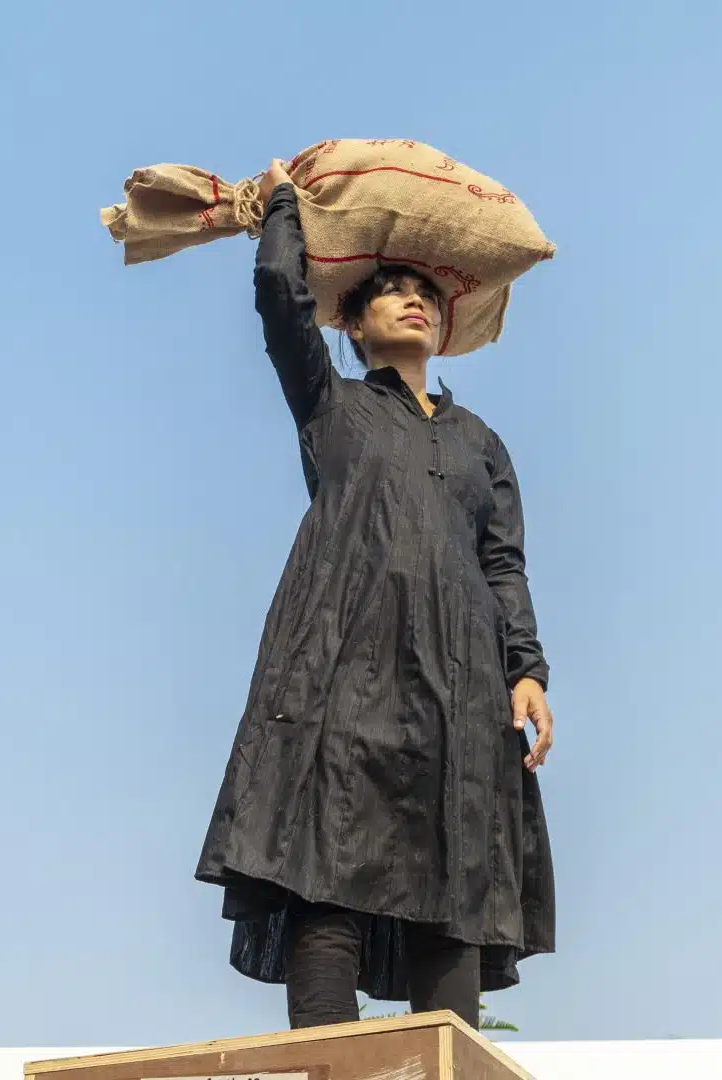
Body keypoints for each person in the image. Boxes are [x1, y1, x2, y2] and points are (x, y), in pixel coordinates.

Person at [194, 159, 557, 1030]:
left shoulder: (481, 444)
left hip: (463, 691)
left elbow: (503, 563)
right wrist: (283, 202)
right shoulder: (333, 406)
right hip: (342, 671)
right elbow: (281, 294)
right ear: (352, 325)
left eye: (425, 294)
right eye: (390, 292)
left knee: (458, 890)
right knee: (328, 873)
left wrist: (528, 671)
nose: (414, 301)